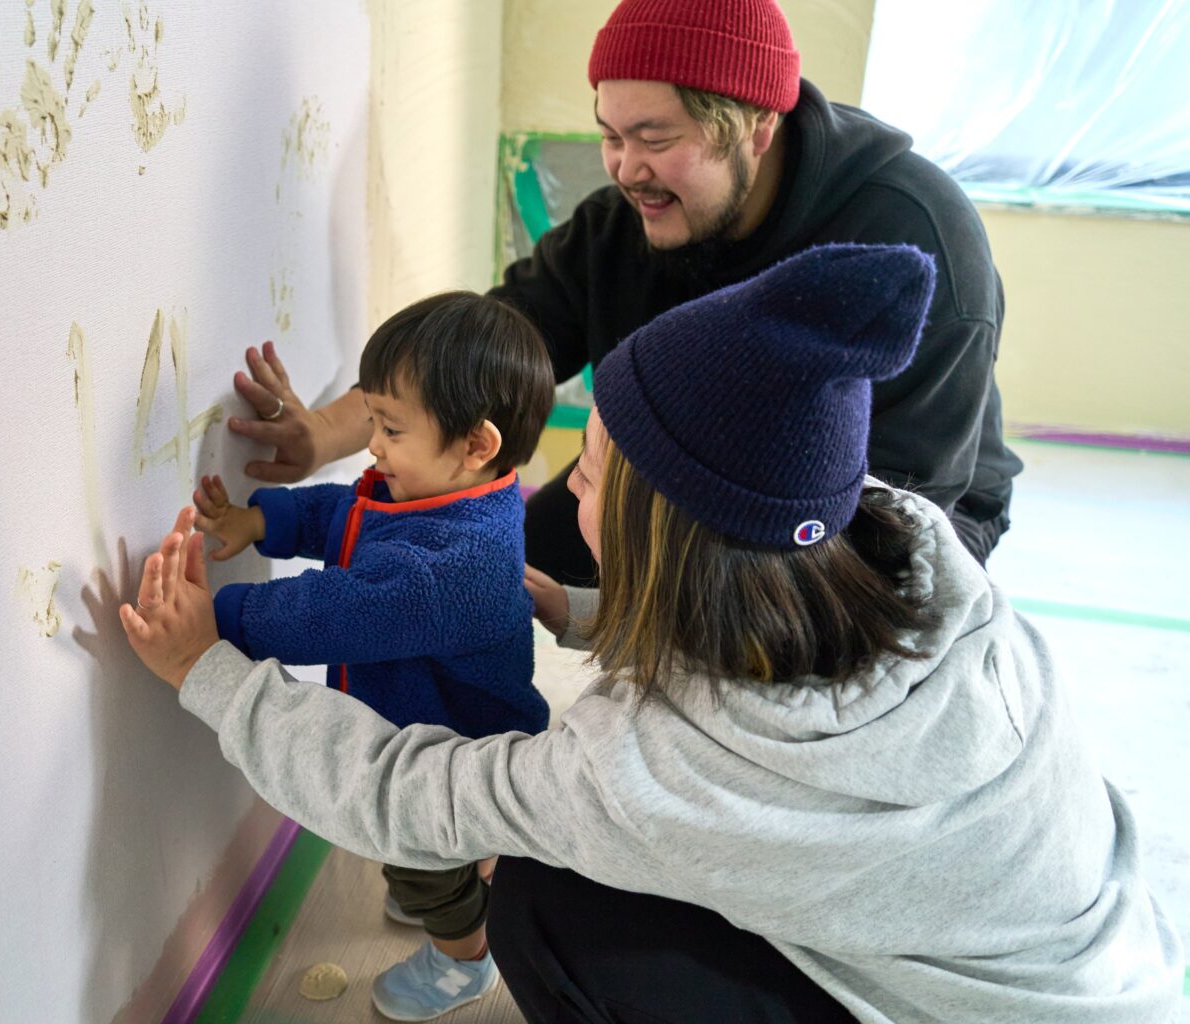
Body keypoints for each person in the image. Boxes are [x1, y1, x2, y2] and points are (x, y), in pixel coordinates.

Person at [121, 245, 1183, 1023]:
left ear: (662, 531)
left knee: (538, 900)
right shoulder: (893, 542)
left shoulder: (650, 772)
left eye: (584, 477)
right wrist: (582, 612)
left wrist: (209, 667)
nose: (561, 491)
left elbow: (414, 792)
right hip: (1103, 964)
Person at [224, 0, 1023, 581]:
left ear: (756, 128)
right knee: (478, 557)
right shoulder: (627, 223)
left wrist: (675, 617)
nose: (623, 168)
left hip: (878, 528)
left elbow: (910, 510)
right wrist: (320, 438)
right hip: (661, 486)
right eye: (610, 135)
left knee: (723, 683)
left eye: (656, 139)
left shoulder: (916, 241)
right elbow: (473, 354)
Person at [187, 290, 554, 1018]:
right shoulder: (427, 491)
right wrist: (261, 521)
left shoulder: (456, 566)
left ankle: (465, 961)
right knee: (424, 862)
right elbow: (345, 515)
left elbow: (331, 615)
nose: (373, 446)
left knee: (427, 866)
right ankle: (458, 887)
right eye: (374, 422)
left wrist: (216, 621)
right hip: (418, 724)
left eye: (391, 428)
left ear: (476, 445)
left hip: (452, 758)